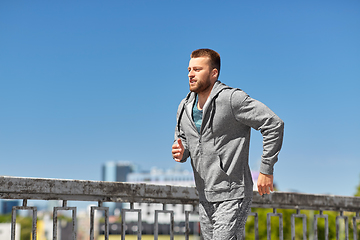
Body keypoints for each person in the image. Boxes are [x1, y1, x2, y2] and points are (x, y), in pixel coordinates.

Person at [171, 48, 284, 239]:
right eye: (189, 69)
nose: (191, 74)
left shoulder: (232, 99)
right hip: (205, 195)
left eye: (197, 69)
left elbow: (273, 124)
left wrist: (266, 169)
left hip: (233, 193)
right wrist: (180, 152)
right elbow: (184, 143)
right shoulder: (184, 106)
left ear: (213, 73)